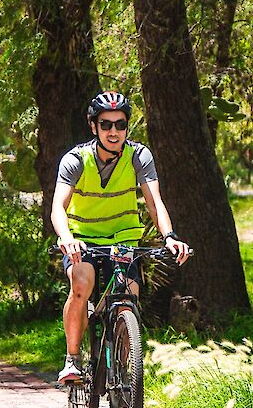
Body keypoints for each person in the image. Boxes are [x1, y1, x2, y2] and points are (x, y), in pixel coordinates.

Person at [51, 91, 190, 383]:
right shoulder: (76, 159)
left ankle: (123, 373)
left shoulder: (139, 155)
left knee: (128, 298)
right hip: (82, 238)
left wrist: (170, 236)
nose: (113, 131)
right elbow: (57, 208)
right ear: (94, 126)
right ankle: (72, 359)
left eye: (120, 124)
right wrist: (66, 237)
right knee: (81, 285)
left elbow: (154, 202)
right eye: (106, 124)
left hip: (123, 238)